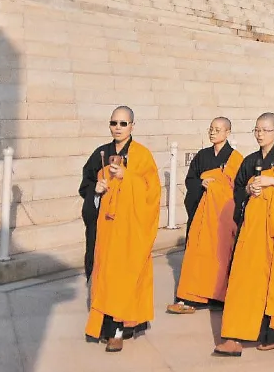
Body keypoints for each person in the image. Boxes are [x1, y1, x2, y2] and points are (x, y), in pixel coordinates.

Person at [214, 113, 274, 356]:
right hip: (252, 231)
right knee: (243, 280)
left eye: (265, 130)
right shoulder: (249, 161)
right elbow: (237, 191)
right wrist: (249, 188)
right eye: (257, 130)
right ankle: (235, 335)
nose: (260, 134)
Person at [80, 106, 161, 352]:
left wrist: (128, 177)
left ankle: (118, 329)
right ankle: (106, 325)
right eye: (114, 123)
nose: (118, 127)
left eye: (123, 123)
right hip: (105, 228)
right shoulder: (101, 153)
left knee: (123, 276)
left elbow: (152, 193)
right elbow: (85, 185)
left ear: (132, 126)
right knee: (104, 276)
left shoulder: (142, 155)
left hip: (129, 229)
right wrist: (96, 190)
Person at [168, 117, 243, 314]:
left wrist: (218, 187)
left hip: (222, 218)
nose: (213, 132)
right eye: (211, 129)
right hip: (201, 215)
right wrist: (201, 183)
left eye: (218, 129)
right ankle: (191, 297)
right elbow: (190, 180)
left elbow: (238, 188)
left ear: (227, 133)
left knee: (220, 256)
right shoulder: (202, 156)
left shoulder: (236, 159)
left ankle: (218, 297)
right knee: (196, 255)